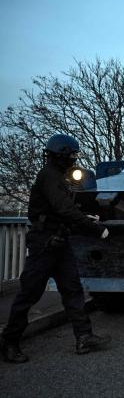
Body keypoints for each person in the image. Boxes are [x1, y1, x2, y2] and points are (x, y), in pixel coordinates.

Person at [0, 135, 111, 364]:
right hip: (45, 243)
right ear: (62, 155)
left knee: (72, 289)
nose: (74, 159)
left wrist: (83, 217)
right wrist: (95, 229)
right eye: (72, 155)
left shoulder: (57, 177)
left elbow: (64, 209)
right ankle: (9, 343)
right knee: (29, 293)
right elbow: (63, 209)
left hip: (59, 241)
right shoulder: (49, 176)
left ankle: (84, 337)